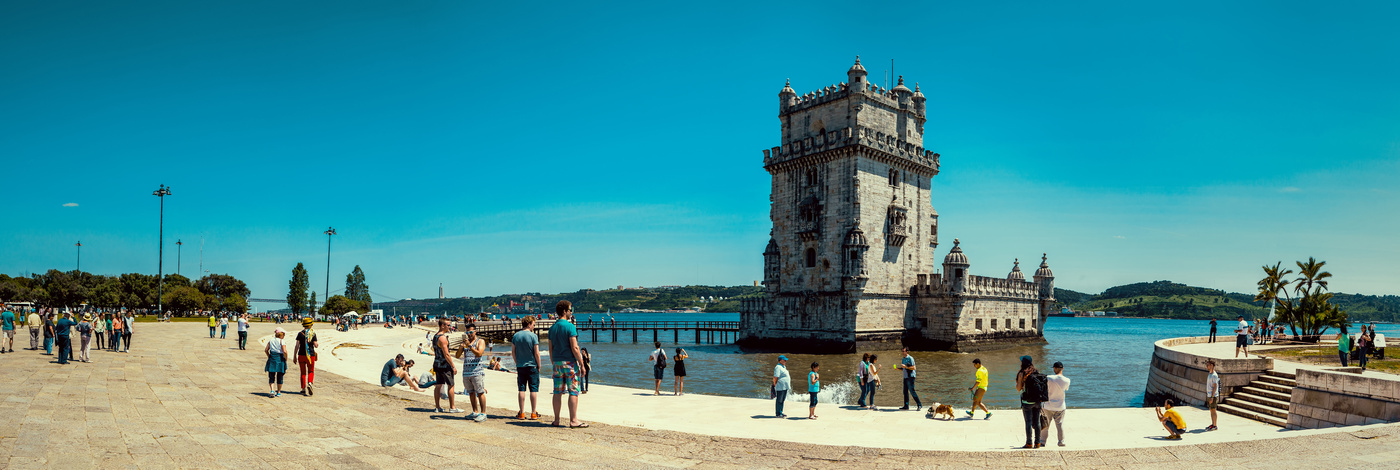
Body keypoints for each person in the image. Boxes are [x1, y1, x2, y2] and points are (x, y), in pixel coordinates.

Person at [548, 300, 587, 428]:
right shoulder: (570, 327)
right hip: (570, 363)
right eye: (570, 310)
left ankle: (557, 420)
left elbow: (550, 348)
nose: (571, 312)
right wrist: (581, 364)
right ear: (564, 311)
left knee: (557, 392)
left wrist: (553, 362)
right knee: (573, 391)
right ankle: (573, 420)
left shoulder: (552, 328)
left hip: (557, 363)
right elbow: (575, 348)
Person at [511, 315, 542, 420]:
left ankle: (522, 413)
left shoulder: (516, 336)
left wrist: (517, 362)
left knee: (521, 389)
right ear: (529, 324)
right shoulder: (533, 336)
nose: (534, 326)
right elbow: (536, 353)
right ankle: (533, 412)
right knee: (533, 389)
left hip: (520, 366)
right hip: (532, 365)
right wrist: (539, 365)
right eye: (533, 324)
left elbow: (513, 352)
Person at [431, 319, 463, 413]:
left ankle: (437, 407)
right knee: (451, 385)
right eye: (448, 325)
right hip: (445, 365)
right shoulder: (443, 338)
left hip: (437, 363)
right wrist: (453, 366)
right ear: (442, 326)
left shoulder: (435, 336)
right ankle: (452, 407)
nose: (450, 327)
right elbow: (447, 354)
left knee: (438, 385)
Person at [461, 323, 489, 422]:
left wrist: (470, 346)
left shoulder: (480, 341)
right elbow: (457, 355)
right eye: (467, 332)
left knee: (480, 392)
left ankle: (483, 413)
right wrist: (462, 346)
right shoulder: (466, 343)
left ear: (475, 331)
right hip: (466, 372)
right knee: (471, 393)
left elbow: (479, 353)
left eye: (471, 332)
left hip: (477, 372)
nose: (469, 334)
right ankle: (475, 412)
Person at [1039, 361, 1071, 447]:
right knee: (1060, 424)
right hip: (1060, 406)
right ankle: (1061, 441)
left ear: (1054, 368)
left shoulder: (1048, 378)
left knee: (1045, 425)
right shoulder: (1067, 380)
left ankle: (1042, 442)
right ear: (1062, 369)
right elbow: (1065, 389)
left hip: (1048, 405)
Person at [1015, 355, 1042, 448]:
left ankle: (1029, 443)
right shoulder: (1036, 372)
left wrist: (1021, 384)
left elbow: (1018, 389)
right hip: (1037, 401)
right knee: (1037, 422)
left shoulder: (1022, 373)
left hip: (1027, 402)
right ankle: (1038, 442)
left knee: (1028, 422)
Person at [295, 318, 319, 396]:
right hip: (310, 355)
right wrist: (315, 344)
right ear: (311, 325)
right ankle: (310, 383)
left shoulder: (300, 333)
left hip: (301, 355)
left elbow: (297, 346)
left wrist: (294, 355)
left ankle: (303, 389)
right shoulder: (313, 333)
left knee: (303, 372)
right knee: (311, 371)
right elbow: (315, 345)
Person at [265, 327, 290, 397]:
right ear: (281, 334)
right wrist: (286, 358)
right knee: (280, 376)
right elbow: (284, 351)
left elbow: (266, 350)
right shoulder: (282, 341)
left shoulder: (271, 340)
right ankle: (278, 391)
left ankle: (272, 390)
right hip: (280, 359)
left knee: (271, 376)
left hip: (272, 358)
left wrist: (269, 356)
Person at [898, 347, 922, 411]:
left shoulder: (910, 358)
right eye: (902, 351)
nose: (903, 352)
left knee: (912, 391)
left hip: (910, 377)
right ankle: (906, 405)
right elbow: (904, 369)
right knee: (905, 392)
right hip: (905, 377)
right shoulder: (903, 359)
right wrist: (898, 369)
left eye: (904, 351)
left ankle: (919, 405)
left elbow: (913, 368)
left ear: (907, 352)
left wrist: (905, 366)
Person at [1204, 360, 1220, 431]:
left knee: (1213, 410)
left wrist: (1212, 397)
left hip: (1213, 396)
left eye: (1208, 365)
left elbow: (1215, 386)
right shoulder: (1210, 373)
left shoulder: (1214, 375)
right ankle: (1213, 423)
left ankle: (1215, 425)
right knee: (1211, 409)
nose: (1207, 366)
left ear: (1212, 366)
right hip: (1209, 395)